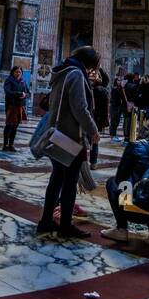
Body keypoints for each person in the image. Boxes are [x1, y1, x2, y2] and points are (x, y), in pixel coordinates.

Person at [36, 45, 100, 241]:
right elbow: (80, 108)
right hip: (71, 136)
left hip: (57, 135)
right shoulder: (76, 75)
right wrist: (93, 130)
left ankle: (46, 220)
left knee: (56, 179)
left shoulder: (62, 72)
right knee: (70, 183)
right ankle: (65, 225)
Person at [101, 118, 149, 246]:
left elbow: (120, 177)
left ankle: (121, 229)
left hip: (136, 207)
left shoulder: (136, 146)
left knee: (112, 183)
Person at [3, 65, 30, 151]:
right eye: (16, 72)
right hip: (11, 105)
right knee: (9, 125)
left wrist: (25, 95)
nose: (18, 73)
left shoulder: (23, 82)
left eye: (20, 72)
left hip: (20, 106)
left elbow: (28, 92)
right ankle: (5, 144)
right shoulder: (9, 80)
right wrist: (19, 94)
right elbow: (8, 91)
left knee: (15, 126)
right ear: (13, 72)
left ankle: (11, 144)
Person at [88, 66, 109, 167]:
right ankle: (93, 163)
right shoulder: (104, 91)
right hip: (99, 119)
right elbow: (106, 109)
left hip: (89, 117)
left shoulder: (90, 89)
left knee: (83, 139)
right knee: (95, 141)